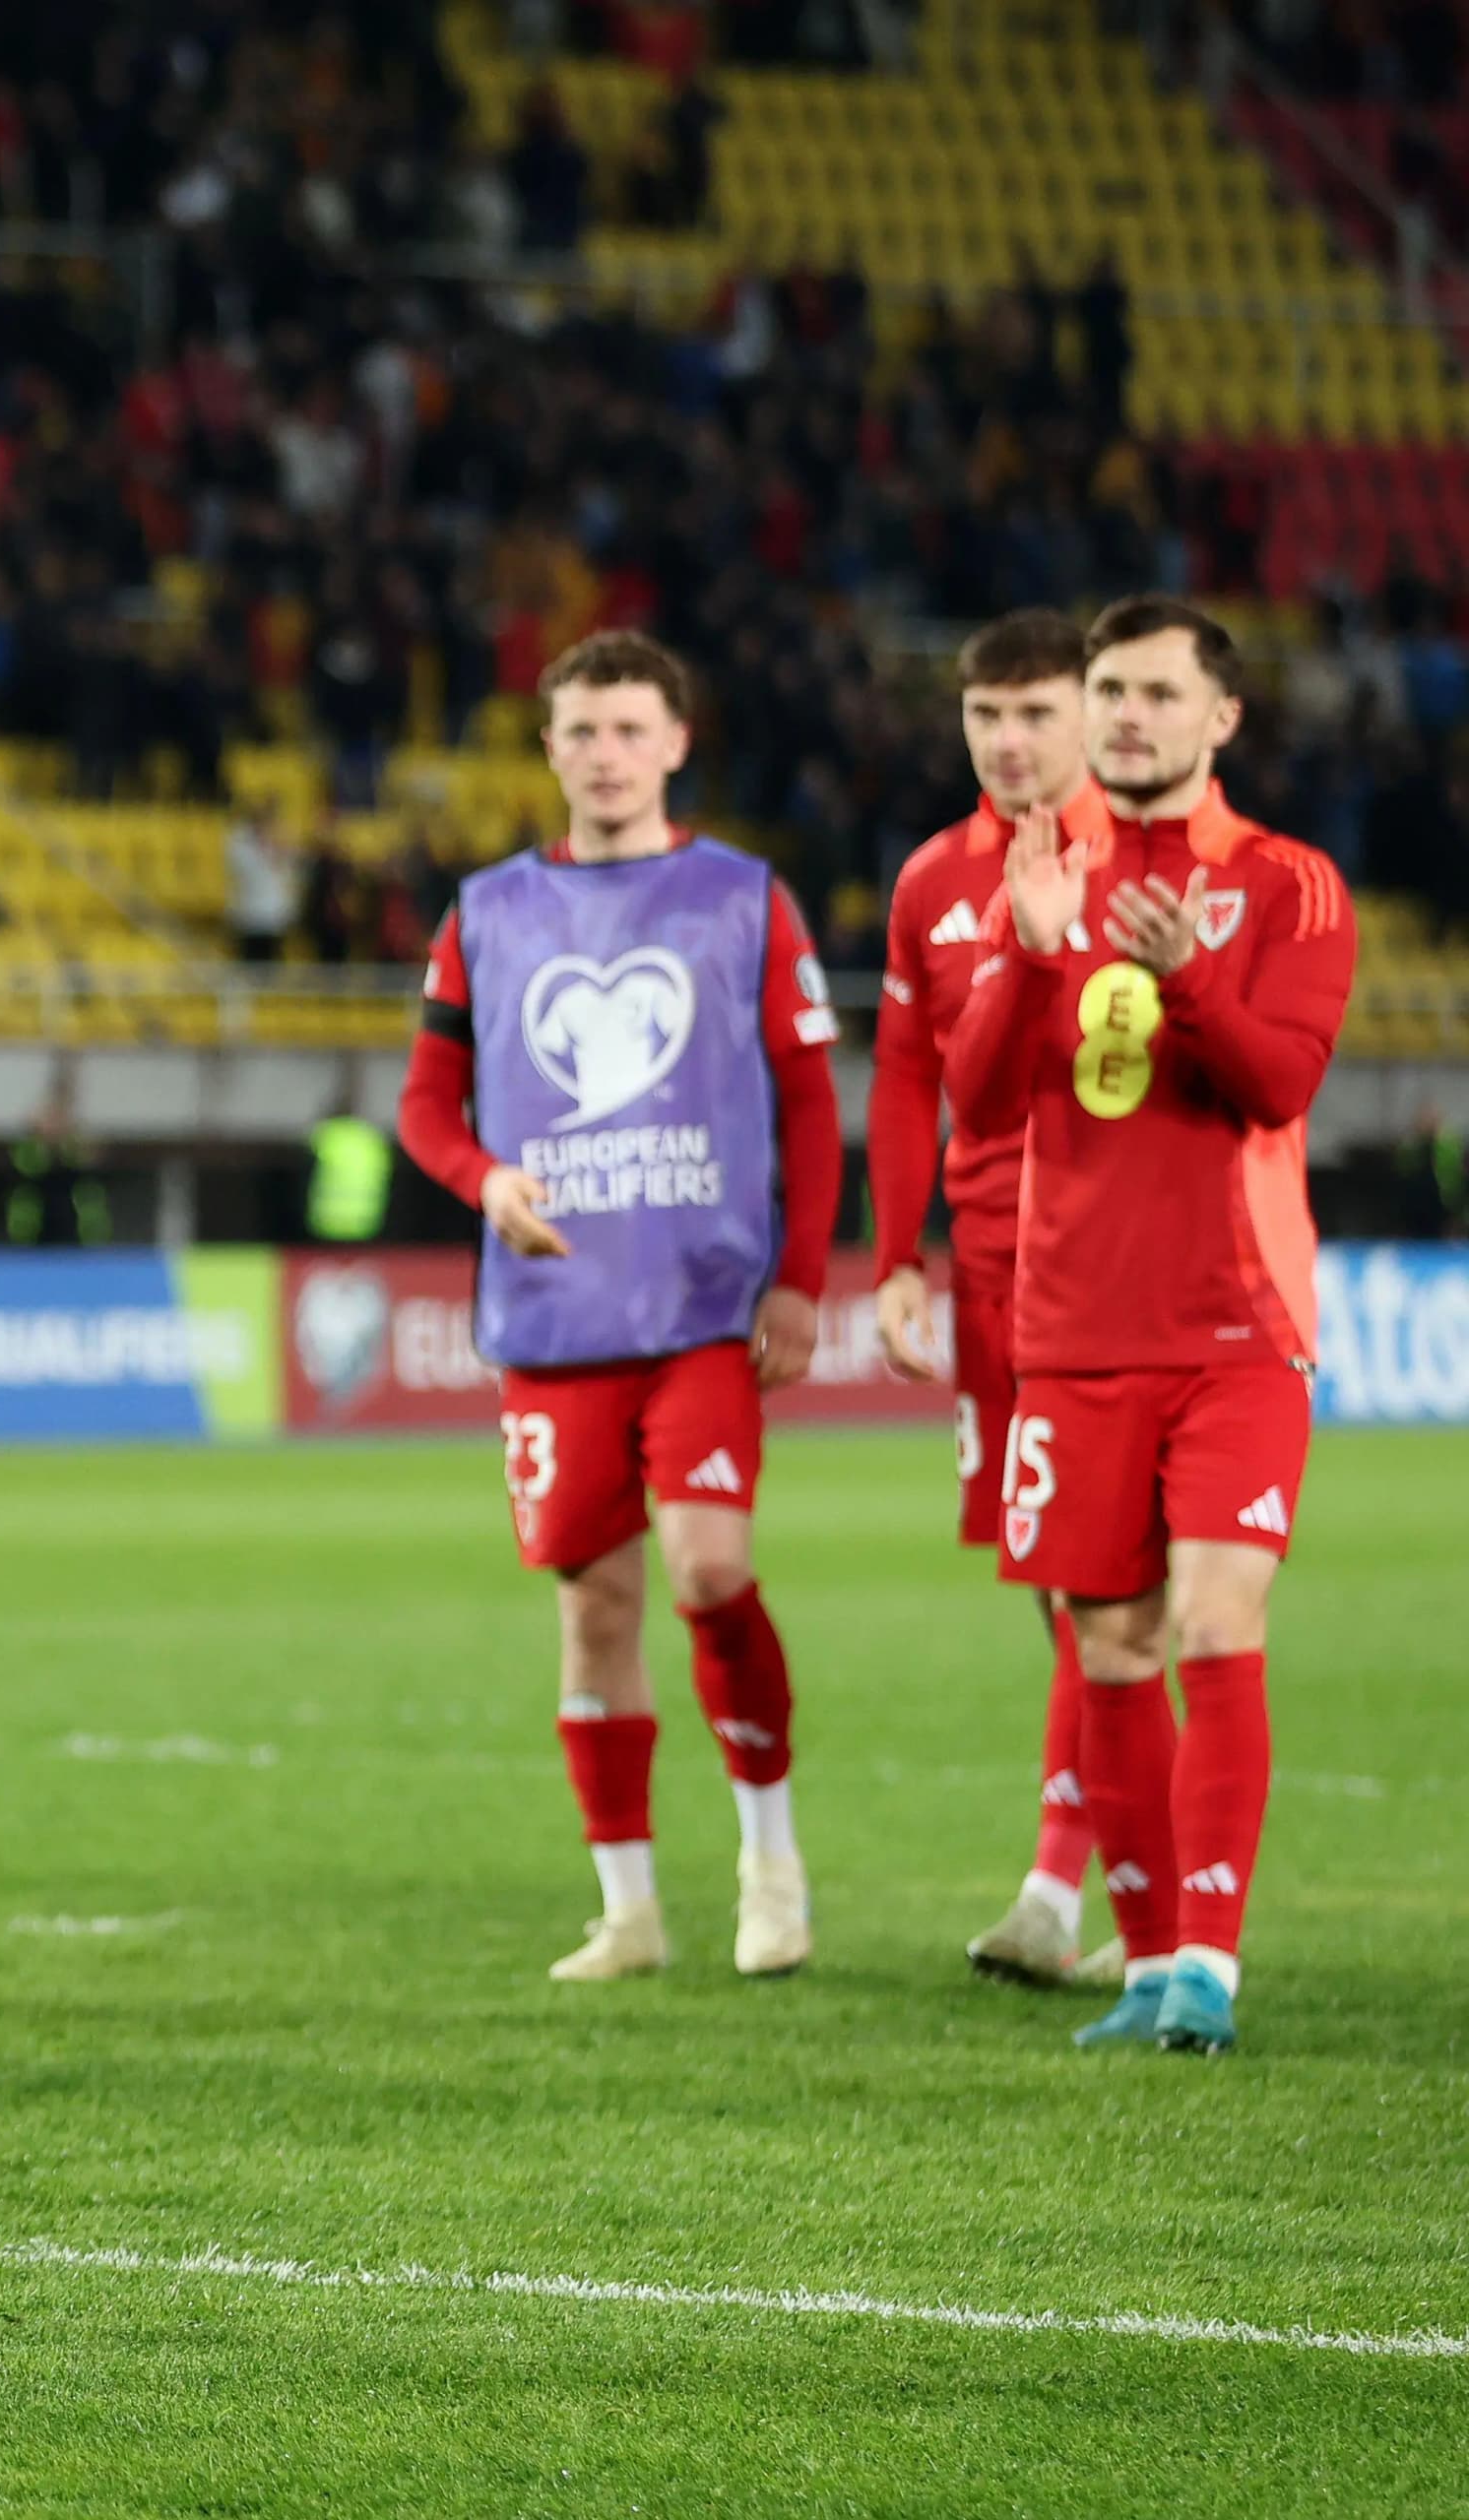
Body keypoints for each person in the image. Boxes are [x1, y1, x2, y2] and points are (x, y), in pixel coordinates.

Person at [393, 631, 842, 1985]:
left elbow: (813, 1100)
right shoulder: (486, 913)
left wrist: (805, 1279)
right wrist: (486, 1177)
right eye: (581, 731)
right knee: (594, 1613)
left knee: (708, 1571)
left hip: (702, 1304)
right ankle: (629, 1910)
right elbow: (425, 1105)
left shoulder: (746, 900)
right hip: (555, 1315)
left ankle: (772, 1860)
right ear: (549, 750)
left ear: (677, 742)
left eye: (630, 729)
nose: (605, 754)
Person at [943, 597, 1356, 2056]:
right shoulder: (1039, 875)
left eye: (1157, 693)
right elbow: (981, 1100)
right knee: (1109, 1645)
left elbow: (1279, 1087)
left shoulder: (1292, 883)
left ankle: (1211, 1976)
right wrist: (1032, 952)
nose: (1126, 715)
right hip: (1070, 1332)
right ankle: (1145, 1966)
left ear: (1220, 718)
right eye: (1108, 690)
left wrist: (1183, 970)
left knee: (1212, 1619)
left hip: (1238, 1328)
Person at [869, 608, 1124, 1989]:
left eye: (1038, 713)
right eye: (988, 718)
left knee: (1108, 1584)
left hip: (1121, 1265)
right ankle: (1098, 1871)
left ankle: (1071, 1882)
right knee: (1054, 1583)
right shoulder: (932, 882)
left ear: (1090, 714)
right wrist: (897, 1256)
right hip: (989, 1269)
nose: (1012, 742)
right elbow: (912, 1074)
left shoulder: (1145, 859)